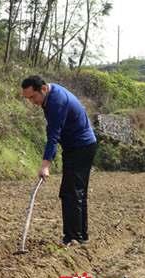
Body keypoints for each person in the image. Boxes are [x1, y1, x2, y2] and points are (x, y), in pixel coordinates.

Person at [21, 75, 97, 247]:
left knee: (72, 192)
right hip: (77, 147)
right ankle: (80, 235)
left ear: (43, 89)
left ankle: (73, 238)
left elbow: (53, 135)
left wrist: (45, 165)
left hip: (81, 147)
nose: (32, 102)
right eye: (28, 98)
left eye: (33, 97)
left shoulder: (56, 101)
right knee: (75, 191)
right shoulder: (50, 95)